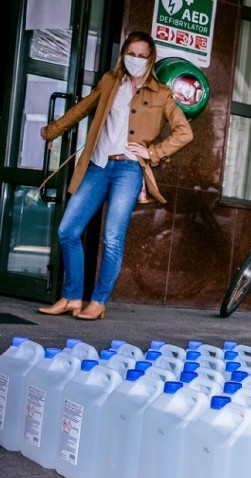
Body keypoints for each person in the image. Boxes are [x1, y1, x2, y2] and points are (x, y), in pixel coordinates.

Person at [38, 31, 193, 320]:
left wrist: (153, 152)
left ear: (150, 58)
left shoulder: (161, 93)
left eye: (141, 55)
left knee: (112, 237)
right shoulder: (111, 82)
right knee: (68, 231)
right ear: (123, 54)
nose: (135, 59)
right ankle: (72, 297)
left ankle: (98, 302)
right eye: (130, 54)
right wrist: (52, 131)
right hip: (98, 166)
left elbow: (185, 132)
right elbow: (82, 109)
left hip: (129, 170)